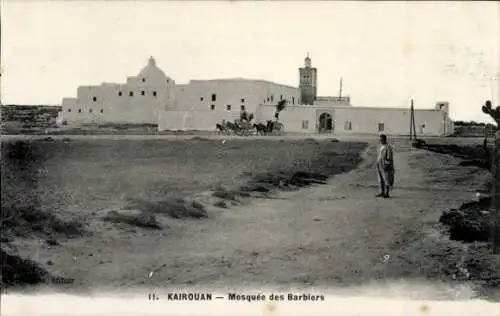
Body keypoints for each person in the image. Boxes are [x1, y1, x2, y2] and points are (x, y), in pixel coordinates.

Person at [376, 134, 395, 198]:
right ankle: (382, 192)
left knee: (386, 179)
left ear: (385, 139)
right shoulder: (381, 146)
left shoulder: (388, 147)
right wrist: (378, 162)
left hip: (385, 166)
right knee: (381, 179)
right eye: (380, 139)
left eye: (382, 139)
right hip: (380, 165)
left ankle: (387, 193)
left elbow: (389, 158)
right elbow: (380, 155)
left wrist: (386, 165)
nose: (380, 141)